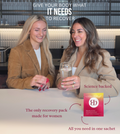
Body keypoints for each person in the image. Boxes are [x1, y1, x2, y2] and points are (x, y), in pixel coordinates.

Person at [56, 17, 120, 98]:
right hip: (64, 99)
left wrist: (82, 83)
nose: (75, 35)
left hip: (86, 104)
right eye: (73, 32)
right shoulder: (67, 53)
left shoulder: (101, 55)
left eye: (79, 31)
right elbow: (59, 76)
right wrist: (59, 82)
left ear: (89, 33)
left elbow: (113, 86)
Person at [6, 15, 55, 90]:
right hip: (26, 97)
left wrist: (48, 81)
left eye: (44, 30)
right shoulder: (17, 51)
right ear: (29, 31)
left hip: (44, 96)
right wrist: (30, 82)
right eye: (37, 30)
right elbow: (11, 81)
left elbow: (51, 73)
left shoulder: (45, 50)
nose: (41, 34)